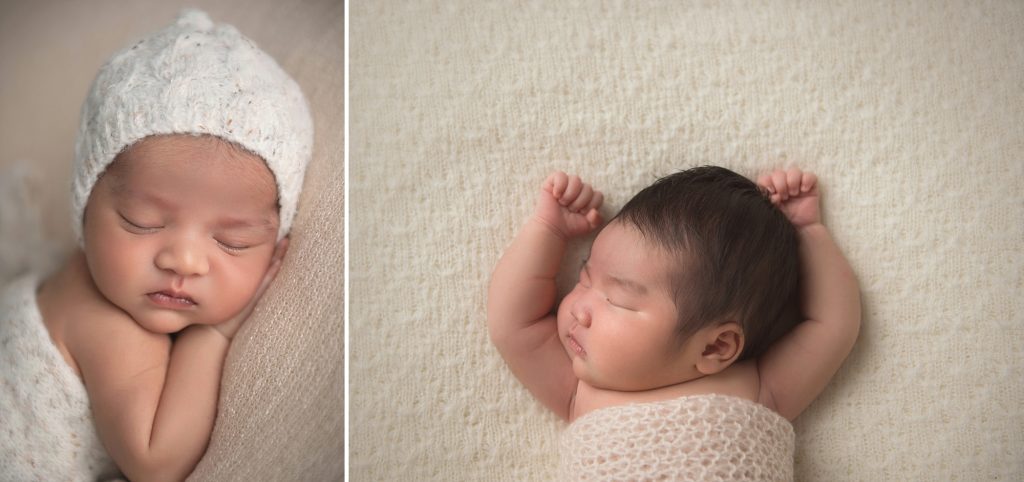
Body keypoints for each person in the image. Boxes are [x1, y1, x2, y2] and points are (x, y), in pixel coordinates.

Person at [0, 9, 312, 481]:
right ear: (83, 205)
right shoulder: (104, 319)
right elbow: (155, 461)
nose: (182, 260)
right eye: (141, 222)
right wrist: (214, 335)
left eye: (232, 242)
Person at [488, 166, 860, 480]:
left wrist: (808, 233)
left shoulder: (759, 388)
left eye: (618, 300)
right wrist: (546, 231)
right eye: (584, 278)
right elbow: (514, 324)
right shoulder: (579, 391)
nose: (579, 309)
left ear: (716, 347)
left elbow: (832, 325)